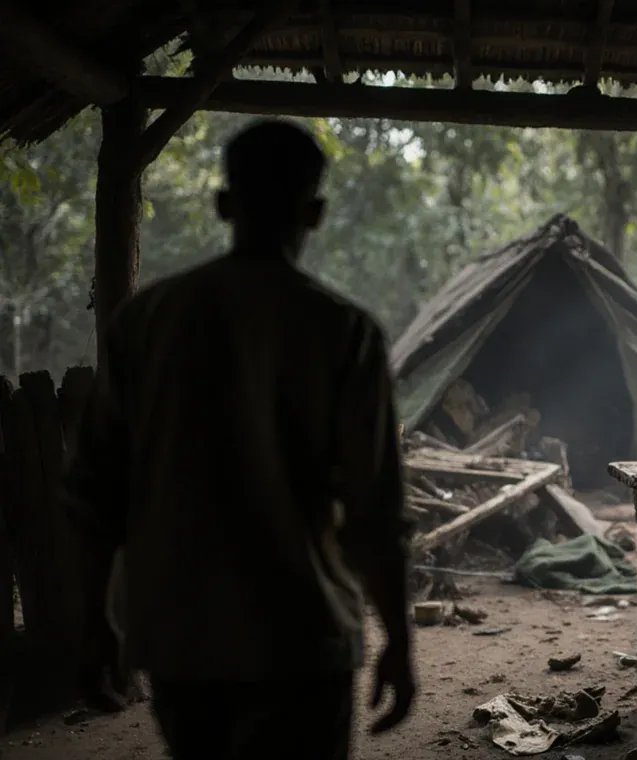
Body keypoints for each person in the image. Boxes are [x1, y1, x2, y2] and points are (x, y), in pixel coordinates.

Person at [60, 119, 416, 759]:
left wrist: (96, 624)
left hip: (180, 636)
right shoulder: (344, 331)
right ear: (316, 214)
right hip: (303, 635)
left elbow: (95, 493)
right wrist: (399, 640)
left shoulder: (144, 321)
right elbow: (375, 511)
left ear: (223, 204)